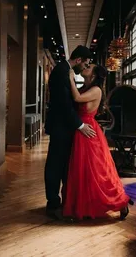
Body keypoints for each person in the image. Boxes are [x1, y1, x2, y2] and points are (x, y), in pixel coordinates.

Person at [63, 64, 133, 220]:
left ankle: (120, 202)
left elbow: (77, 98)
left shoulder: (96, 90)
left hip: (89, 131)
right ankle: (86, 206)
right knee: (84, 171)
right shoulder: (86, 87)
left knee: (98, 171)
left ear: (93, 75)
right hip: (81, 130)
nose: (86, 67)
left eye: (90, 67)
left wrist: (70, 79)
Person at [44, 45, 96, 219]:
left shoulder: (66, 70)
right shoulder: (62, 71)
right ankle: (53, 204)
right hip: (61, 127)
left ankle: (64, 201)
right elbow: (64, 105)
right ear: (79, 59)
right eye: (86, 63)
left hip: (65, 126)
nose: (85, 67)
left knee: (63, 165)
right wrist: (80, 125)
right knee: (55, 166)